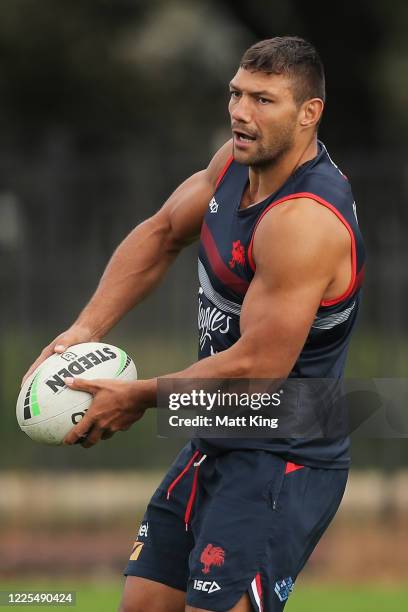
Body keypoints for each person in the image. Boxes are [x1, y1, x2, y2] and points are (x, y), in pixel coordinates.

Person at [23, 36, 365, 612]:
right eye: (236, 94)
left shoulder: (304, 222)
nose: (240, 111)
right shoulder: (232, 166)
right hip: (217, 431)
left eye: (263, 100)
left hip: (285, 454)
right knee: (143, 605)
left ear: (310, 114)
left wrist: (138, 397)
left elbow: (260, 368)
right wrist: (84, 329)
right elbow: (160, 236)